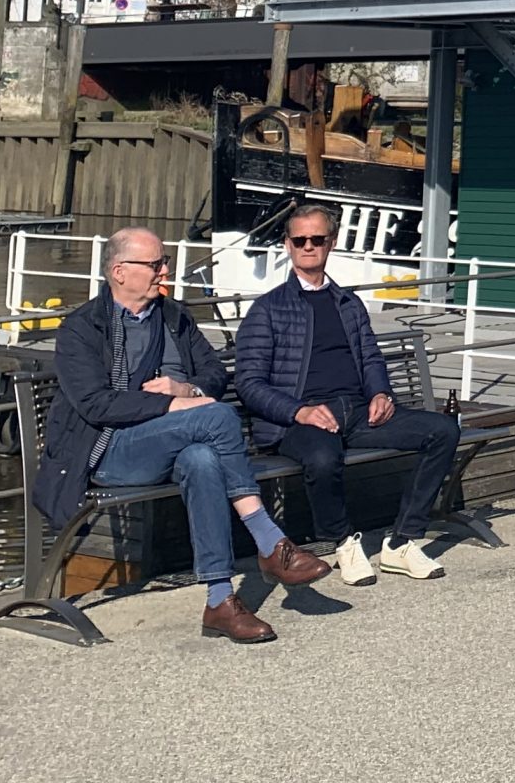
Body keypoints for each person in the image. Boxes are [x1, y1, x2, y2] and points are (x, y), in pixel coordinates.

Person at [28, 227, 331, 644]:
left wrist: (185, 389)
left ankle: (220, 601)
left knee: (202, 460)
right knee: (217, 416)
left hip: (170, 444)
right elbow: (96, 405)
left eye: (164, 262)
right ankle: (269, 540)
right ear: (119, 271)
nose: (164, 271)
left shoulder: (174, 317)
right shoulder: (83, 328)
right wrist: (173, 405)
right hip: (108, 449)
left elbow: (214, 374)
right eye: (155, 264)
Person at [232, 200, 461, 585]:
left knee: (443, 430)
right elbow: (249, 383)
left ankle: (402, 541)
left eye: (317, 239)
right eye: (300, 240)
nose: (308, 247)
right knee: (323, 458)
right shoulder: (267, 310)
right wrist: (300, 411)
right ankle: (342, 541)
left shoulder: (349, 304)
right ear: (287, 245)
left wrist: (381, 394)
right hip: (299, 421)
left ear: (331, 243)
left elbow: (370, 357)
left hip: (356, 412)